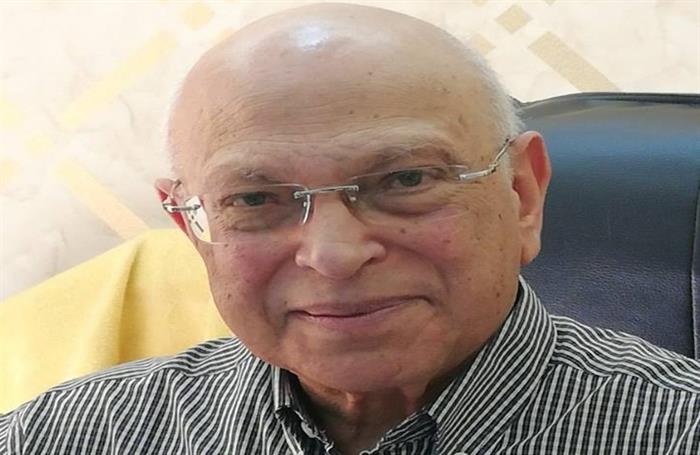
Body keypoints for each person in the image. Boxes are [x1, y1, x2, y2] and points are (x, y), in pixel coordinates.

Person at [1, 3, 699, 454]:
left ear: (522, 194)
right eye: (255, 197)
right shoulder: (67, 435)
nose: (333, 254)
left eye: (405, 180)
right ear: (192, 229)